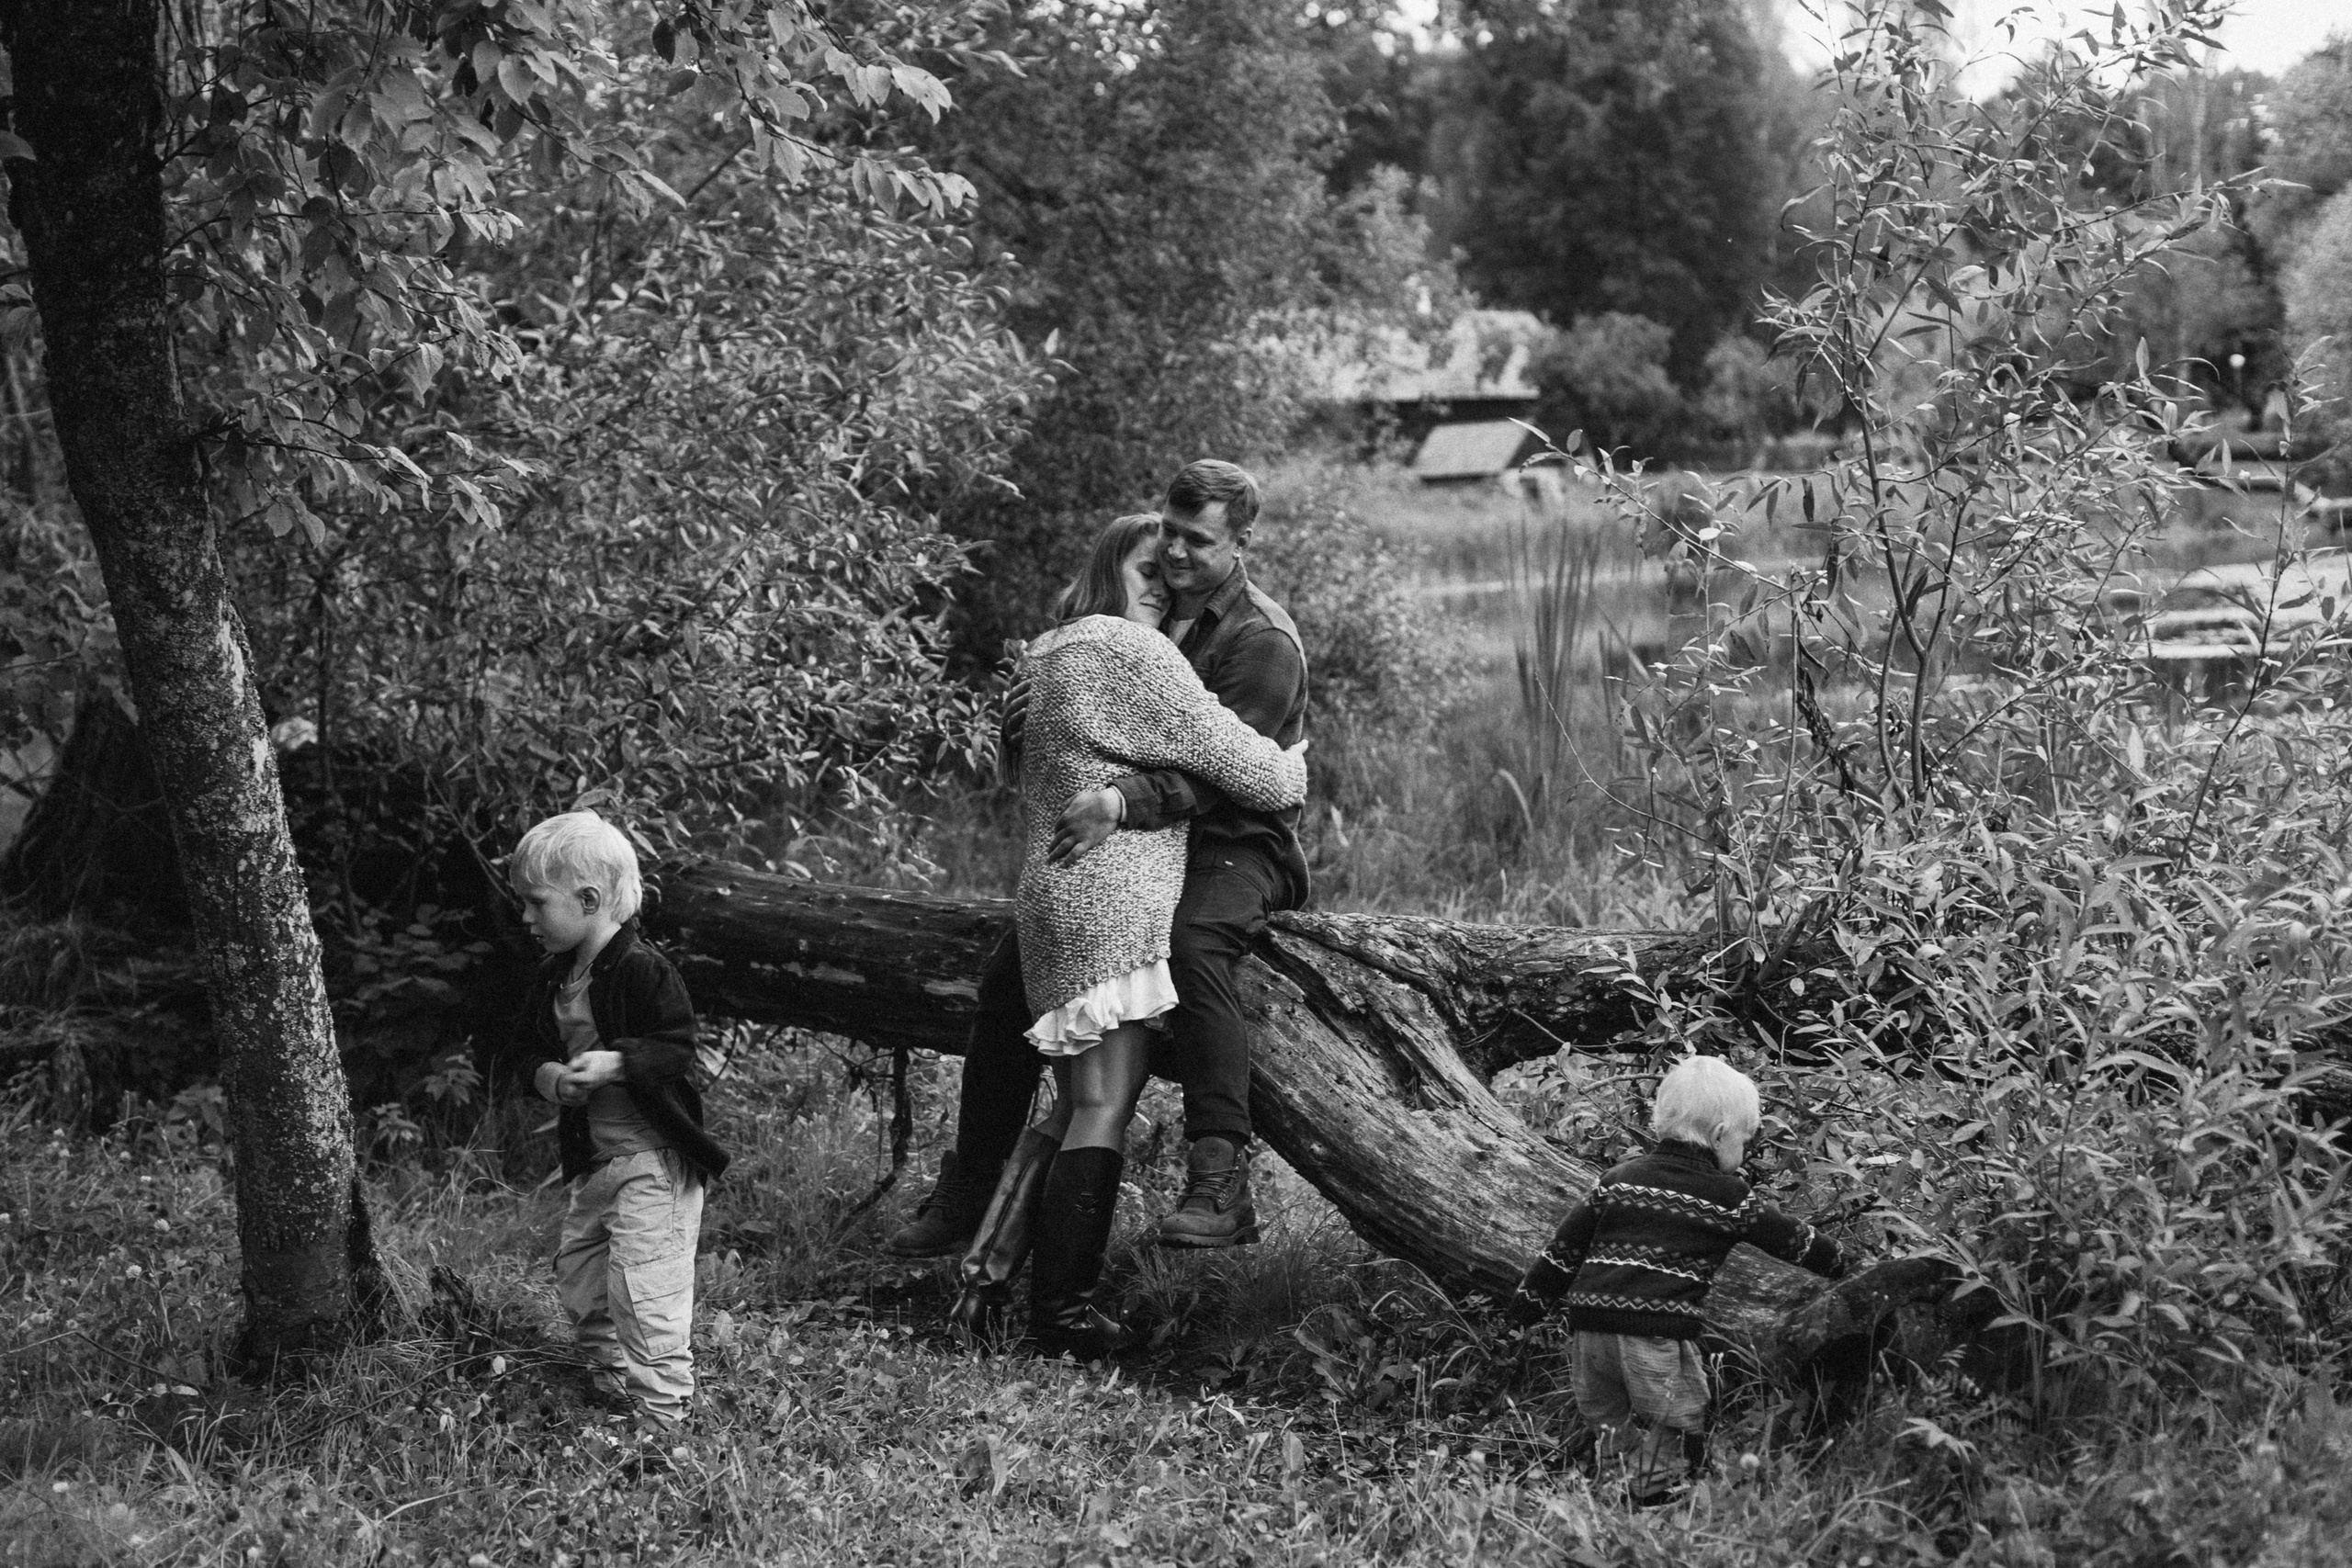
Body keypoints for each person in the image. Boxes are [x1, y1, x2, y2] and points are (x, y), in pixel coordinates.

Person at [886, 459, 1310, 1272]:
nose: (1178, 556)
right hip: (1149, 842)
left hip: (1240, 841)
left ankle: (1220, 1177)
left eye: (1197, 542)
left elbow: (1230, 777)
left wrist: (1120, 800)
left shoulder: (1260, 640)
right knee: (1009, 978)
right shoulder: (1148, 617)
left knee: (1193, 945)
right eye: (1169, 537)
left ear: (1242, 542)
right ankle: (971, 1185)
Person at [1506, 1055, 1844, 1505]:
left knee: (1608, 1417)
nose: (1745, 1150)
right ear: (1722, 1135)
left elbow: (1562, 1252)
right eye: (1746, 1139)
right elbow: (1792, 1240)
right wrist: (1846, 1263)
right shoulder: (1730, 1197)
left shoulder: (1618, 1179)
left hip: (1589, 1330)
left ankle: (1615, 1487)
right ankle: (1660, 1494)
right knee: (1675, 1413)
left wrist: (1522, 1312)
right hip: (1655, 1331)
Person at [501, 810, 728, 1426]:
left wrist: (615, 1063)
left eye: (535, 902)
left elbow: (677, 1045)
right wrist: (551, 1077)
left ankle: (662, 1414)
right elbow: (522, 1049)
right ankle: (612, 1380)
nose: (525, 918)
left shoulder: (642, 968)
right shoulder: (554, 976)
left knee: (643, 1286)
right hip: (596, 1161)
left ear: (590, 898)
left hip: (655, 1159)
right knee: (580, 1276)